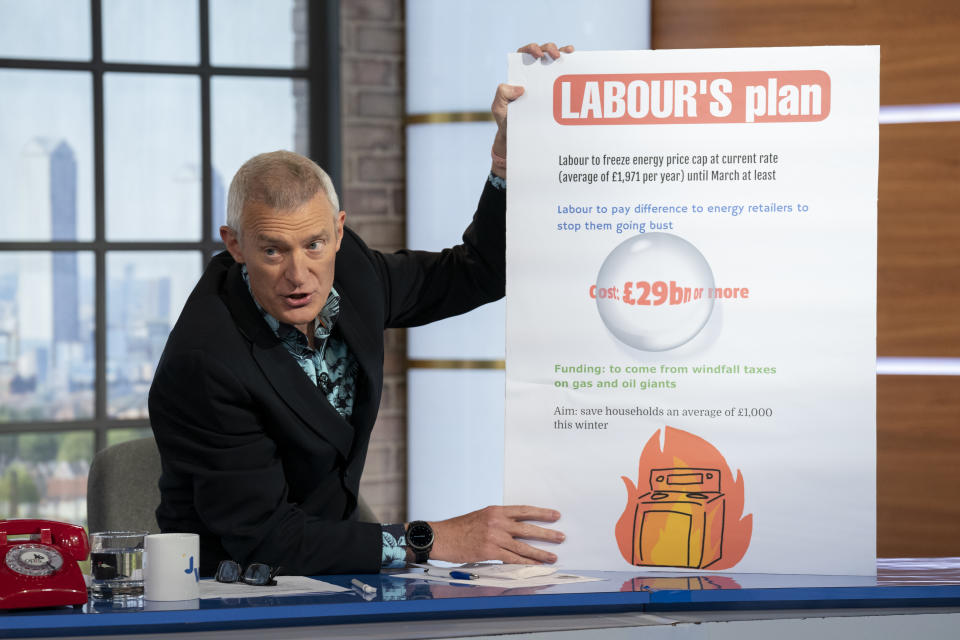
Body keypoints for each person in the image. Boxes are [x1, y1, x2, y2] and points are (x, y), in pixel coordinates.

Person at [149, 42, 574, 577]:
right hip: (235, 588)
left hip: (338, 568)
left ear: (339, 230)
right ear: (235, 245)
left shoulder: (352, 271)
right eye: (273, 251)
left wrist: (510, 163)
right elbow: (266, 538)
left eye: (315, 244)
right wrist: (433, 539)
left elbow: (478, 272)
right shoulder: (205, 361)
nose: (299, 275)